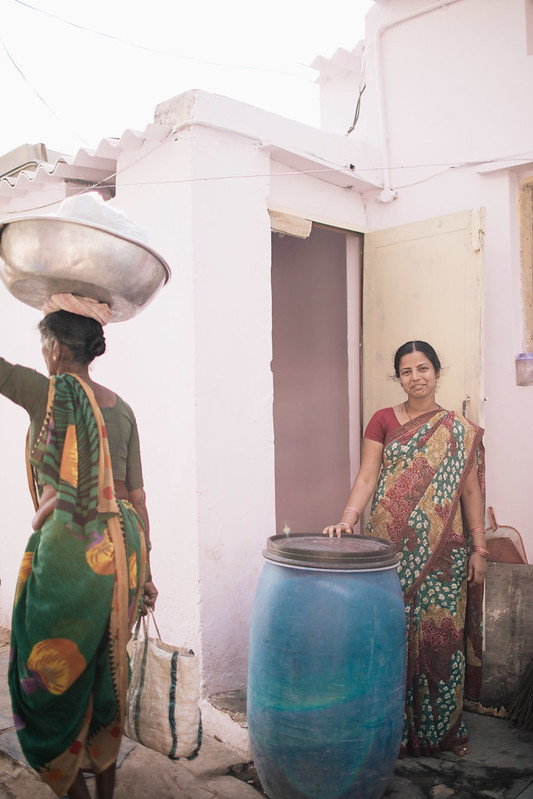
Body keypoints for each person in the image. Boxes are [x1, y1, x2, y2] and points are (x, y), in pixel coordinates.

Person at [0, 296, 157, 799]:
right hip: (123, 548)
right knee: (104, 670)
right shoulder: (123, 408)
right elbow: (136, 500)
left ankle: (73, 790)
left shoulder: (44, 392)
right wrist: (147, 571)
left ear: (51, 347)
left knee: (49, 673)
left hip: (73, 551)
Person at [323, 340, 486, 759]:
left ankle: (440, 734)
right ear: (398, 377)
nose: (416, 378)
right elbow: (367, 477)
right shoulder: (381, 420)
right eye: (407, 371)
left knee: (441, 639)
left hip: (446, 554)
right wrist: (347, 518)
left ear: (437, 371)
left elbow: (471, 492)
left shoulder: (458, 430)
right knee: (389, 637)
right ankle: (389, 731)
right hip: (389, 550)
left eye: (424, 368)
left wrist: (479, 549)